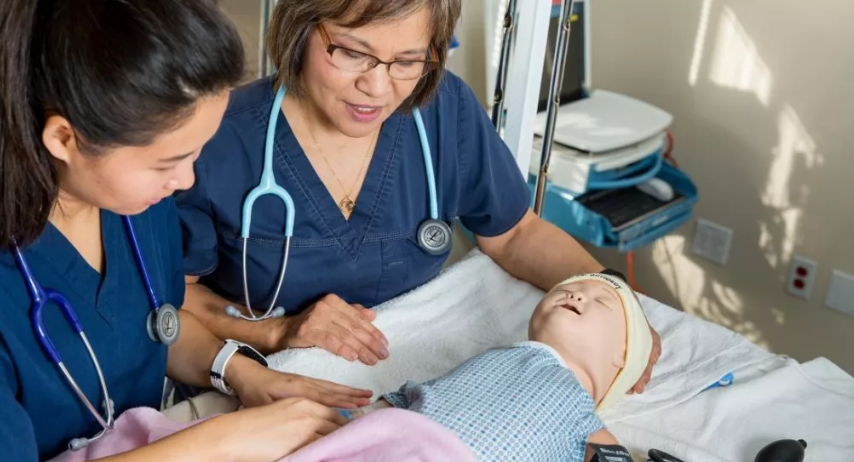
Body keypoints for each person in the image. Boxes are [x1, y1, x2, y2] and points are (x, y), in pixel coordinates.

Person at [0, 1, 371, 461]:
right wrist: (223, 440)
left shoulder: (134, 201)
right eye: (167, 163)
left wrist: (240, 373)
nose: (185, 180)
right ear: (64, 139)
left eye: (196, 152)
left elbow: (152, 327)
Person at [176, 0, 659, 389]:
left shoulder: (445, 109)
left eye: (407, 61)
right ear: (299, 29)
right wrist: (275, 331)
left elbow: (515, 234)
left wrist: (618, 299)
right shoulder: (216, 137)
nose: (376, 87)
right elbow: (174, 298)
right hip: (264, 381)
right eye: (351, 53)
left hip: (413, 380)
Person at [348, 273, 653, 462]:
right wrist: (356, 419)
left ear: (623, 355)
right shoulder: (496, 357)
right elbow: (424, 395)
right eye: (566, 288)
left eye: (601, 302)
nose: (576, 294)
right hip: (400, 444)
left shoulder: (582, 413)